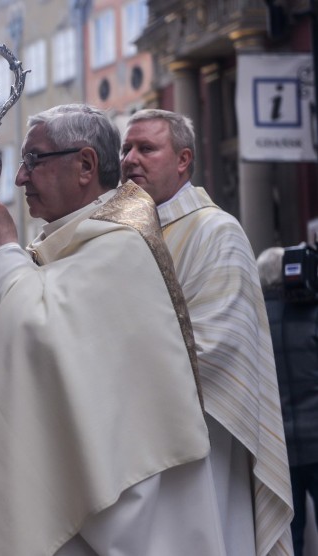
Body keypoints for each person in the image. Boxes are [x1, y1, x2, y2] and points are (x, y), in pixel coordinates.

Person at [0, 104, 225, 554]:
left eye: (34, 160)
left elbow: (43, 343)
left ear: (86, 164)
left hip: (117, 502)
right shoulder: (55, 245)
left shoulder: (122, 247)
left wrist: (6, 256)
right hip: (67, 483)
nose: (19, 178)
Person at [121, 108, 293, 554]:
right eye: (126, 148)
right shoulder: (121, 234)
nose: (130, 159)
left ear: (183, 160)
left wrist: (118, 364)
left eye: (146, 148)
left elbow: (219, 346)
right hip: (135, 441)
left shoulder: (217, 232)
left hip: (206, 438)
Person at [259, 245, 318, 556]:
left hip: (279, 447)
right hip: (316, 439)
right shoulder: (312, 313)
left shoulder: (255, 321)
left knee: (289, 536)